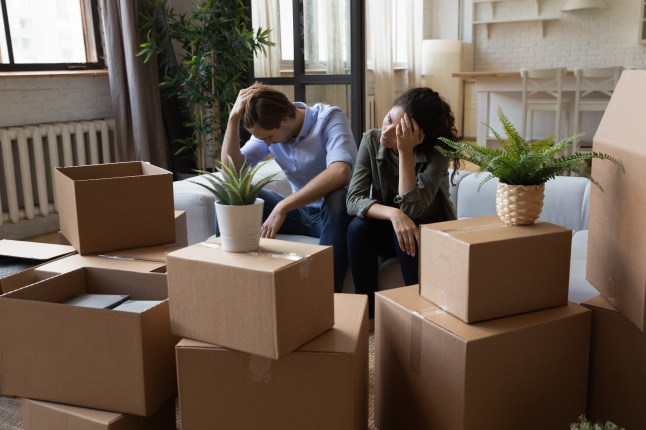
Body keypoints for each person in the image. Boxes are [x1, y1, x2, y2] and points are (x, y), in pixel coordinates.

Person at [221, 83, 357, 293]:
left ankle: (327, 296)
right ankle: (229, 284)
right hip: (300, 213)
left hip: (332, 216)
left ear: (285, 119)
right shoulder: (268, 128)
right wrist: (233, 119)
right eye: (262, 139)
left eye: (269, 137)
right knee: (233, 198)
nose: (267, 144)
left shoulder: (329, 119)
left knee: (337, 197)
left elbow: (340, 172)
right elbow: (232, 172)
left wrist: (283, 206)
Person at [346, 87, 461, 319]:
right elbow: (353, 199)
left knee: (409, 231)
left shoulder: (437, 154)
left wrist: (405, 151)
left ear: (419, 136)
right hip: (393, 225)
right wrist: (394, 215)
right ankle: (367, 316)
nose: (385, 133)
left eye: (398, 131)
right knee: (358, 228)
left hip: (428, 229)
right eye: (388, 119)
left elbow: (412, 209)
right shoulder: (370, 140)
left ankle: (419, 315)